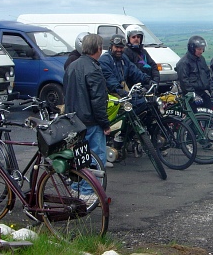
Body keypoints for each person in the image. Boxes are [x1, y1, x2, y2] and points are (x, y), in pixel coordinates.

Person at [63, 34, 112, 196]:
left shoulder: (72, 66)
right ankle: (88, 192)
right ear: (99, 48)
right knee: (96, 159)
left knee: (80, 157)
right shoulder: (94, 69)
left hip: (74, 120)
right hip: (91, 122)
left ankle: (76, 190)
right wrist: (105, 124)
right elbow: (98, 101)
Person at [99, 34, 153, 100]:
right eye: (116, 47)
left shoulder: (123, 58)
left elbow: (134, 71)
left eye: (121, 48)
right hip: (111, 94)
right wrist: (118, 89)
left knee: (147, 101)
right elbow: (109, 78)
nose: (119, 50)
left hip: (123, 91)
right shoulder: (105, 60)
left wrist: (147, 80)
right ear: (111, 46)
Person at [176, 35, 212, 109]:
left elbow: (207, 75)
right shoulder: (184, 63)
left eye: (202, 49)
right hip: (190, 95)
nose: (201, 51)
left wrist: (211, 89)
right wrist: (194, 95)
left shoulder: (201, 59)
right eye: (199, 49)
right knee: (196, 117)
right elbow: (184, 82)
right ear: (192, 49)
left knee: (211, 114)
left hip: (202, 92)